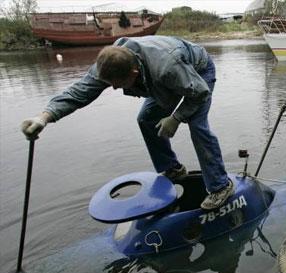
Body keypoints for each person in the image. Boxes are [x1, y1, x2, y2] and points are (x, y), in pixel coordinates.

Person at [21, 35, 234, 210]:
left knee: (197, 127)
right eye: (110, 84)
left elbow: (200, 93)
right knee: (146, 119)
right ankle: (173, 169)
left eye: (119, 85)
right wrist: (44, 117)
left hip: (197, 73)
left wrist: (176, 118)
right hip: (160, 80)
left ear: (134, 73)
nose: (114, 88)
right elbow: (79, 92)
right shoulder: (110, 63)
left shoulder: (166, 66)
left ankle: (220, 186)